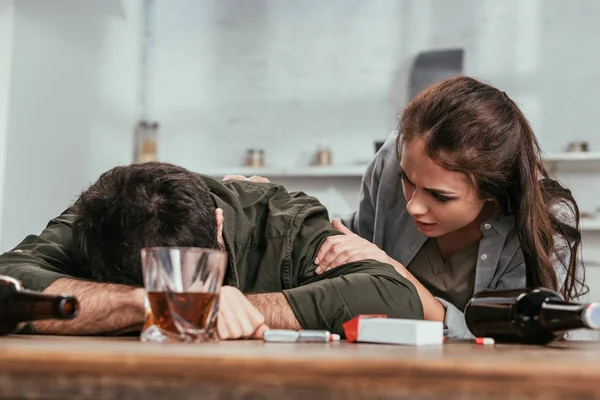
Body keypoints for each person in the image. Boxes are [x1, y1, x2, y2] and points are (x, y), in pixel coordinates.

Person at [0, 162, 422, 338]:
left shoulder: (283, 220)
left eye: (189, 272)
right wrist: (171, 306)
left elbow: (393, 295)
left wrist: (249, 309)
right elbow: (9, 281)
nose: (174, 289)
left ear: (218, 225)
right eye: (156, 281)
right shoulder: (101, 215)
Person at [313, 76, 585, 338]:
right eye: (406, 181)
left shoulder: (547, 226)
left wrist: (394, 275)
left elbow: (509, 341)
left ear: (492, 191)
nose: (413, 207)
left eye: (440, 196)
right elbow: (354, 242)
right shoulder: (394, 159)